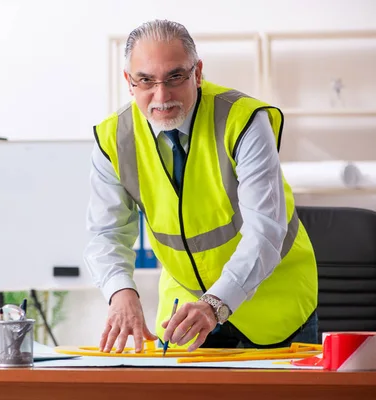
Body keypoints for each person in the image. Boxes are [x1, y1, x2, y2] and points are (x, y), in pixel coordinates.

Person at [83, 19, 318, 354]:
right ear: (129, 82)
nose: (161, 96)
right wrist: (121, 293)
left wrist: (215, 304)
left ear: (197, 73)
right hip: (184, 313)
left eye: (175, 77)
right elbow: (106, 233)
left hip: (274, 304)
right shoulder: (113, 139)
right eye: (146, 80)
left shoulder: (244, 120)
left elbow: (265, 231)